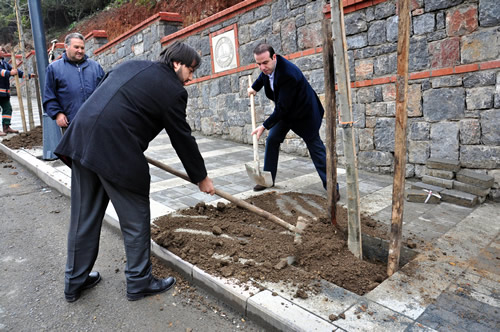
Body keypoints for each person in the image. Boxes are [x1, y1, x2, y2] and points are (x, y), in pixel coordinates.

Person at [54, 41, 215, 302]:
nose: (191, 78)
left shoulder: (131, 66)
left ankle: (75, 281)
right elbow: (182, 137)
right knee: (135, 217)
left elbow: (105, 96)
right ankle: (139, 281)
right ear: (177, 64)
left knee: (83, 216)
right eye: (191, 70)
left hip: (82, 139)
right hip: (114, 149)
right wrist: (201, 177)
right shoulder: (173, 90)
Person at [248, 43, 339, 197]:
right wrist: (254, 88)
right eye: (258, 64)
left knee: (315, 147)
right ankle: (268, 179)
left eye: (265, 63)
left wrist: (264, 125)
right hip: (286, 113)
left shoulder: (287, 74)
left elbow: (282, 108)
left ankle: (332, 186)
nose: (262, 67)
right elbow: (263, 77)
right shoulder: (268, 69)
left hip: (304, 114)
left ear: (274, 57)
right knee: (272, 139)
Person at [43, 32, 104, 131]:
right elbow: (49, 96)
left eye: (82, 48)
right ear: (66, 47)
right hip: (71, 125)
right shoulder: (54, 69)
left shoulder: (95, 67)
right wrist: (58, 114)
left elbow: (105, 92)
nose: (80, 51)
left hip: (96, 122)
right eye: (76, 47)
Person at [0, 48, 35, 136]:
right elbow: (1, 72)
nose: (3, 52)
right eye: (1, 50)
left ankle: (6, 127)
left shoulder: (4, 63)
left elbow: (16, 72)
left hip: (4, 93)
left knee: (7, 108)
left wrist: (28, 75)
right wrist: (10, 73)